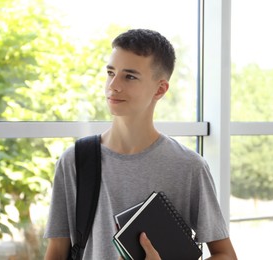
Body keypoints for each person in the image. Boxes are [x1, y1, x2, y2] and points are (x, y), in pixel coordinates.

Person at [44, 29, 237, 260]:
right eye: (110, 73)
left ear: (160, 89)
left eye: (130, 76)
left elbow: (225, 255)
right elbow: (56, 252)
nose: (113, 86)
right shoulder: (75, 160)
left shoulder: (188, 167)